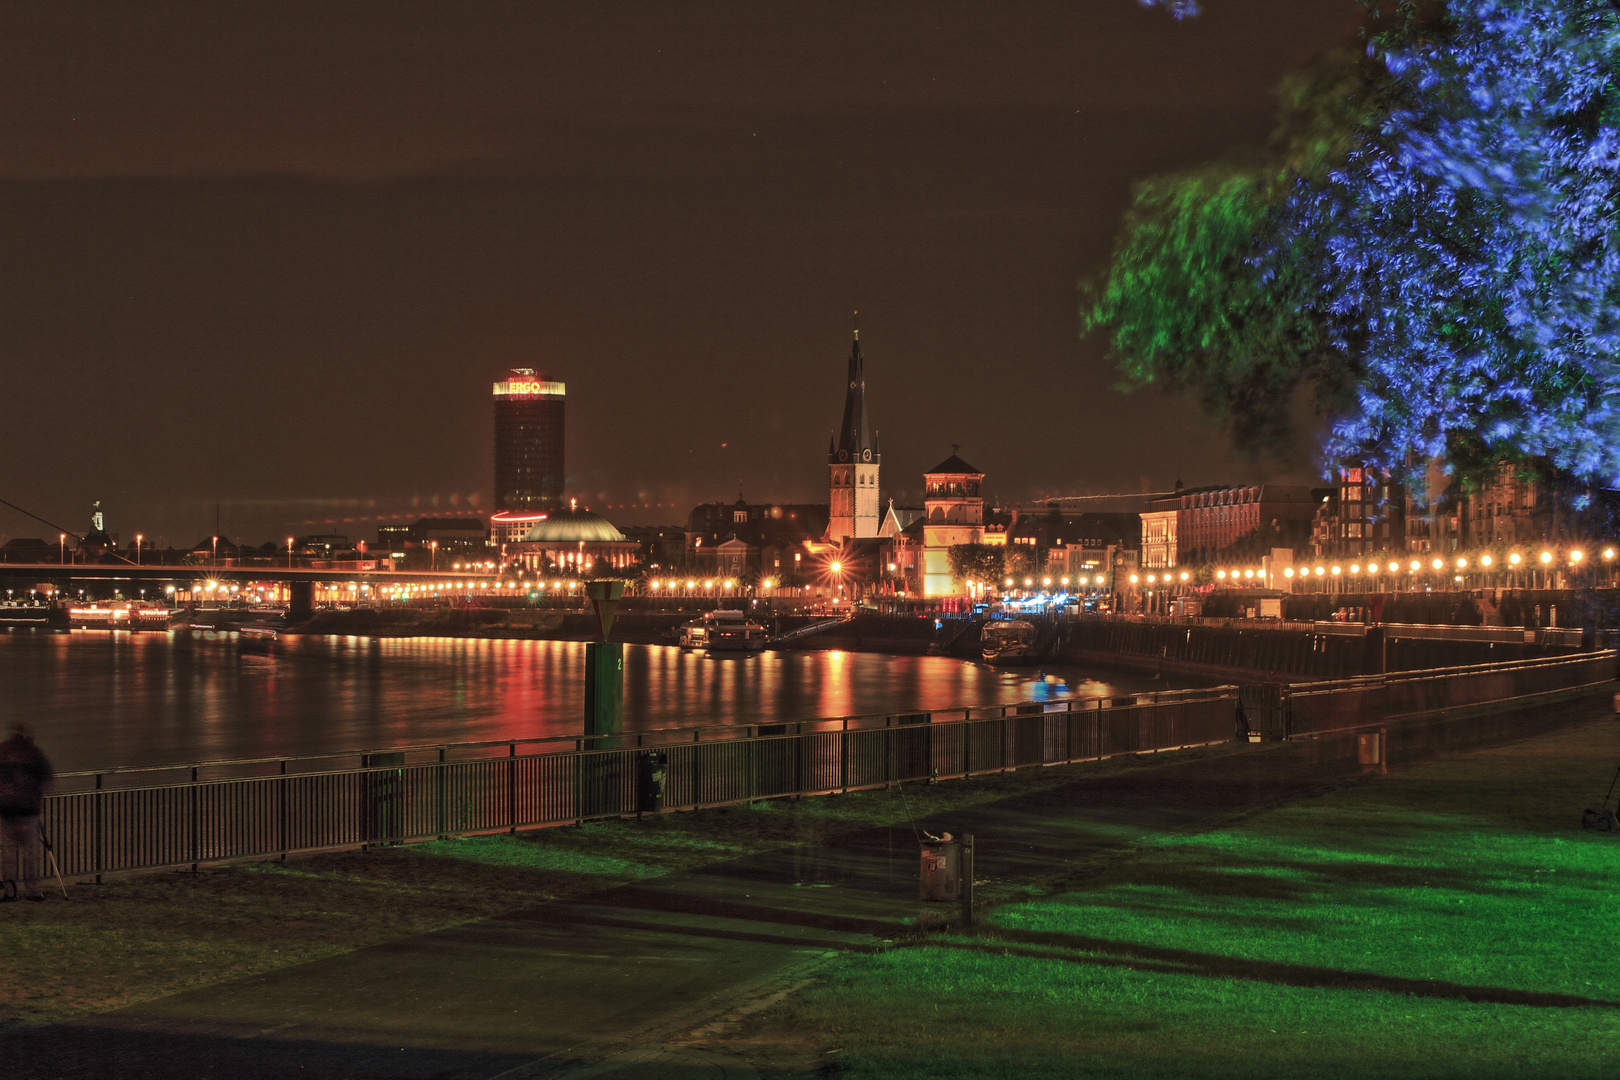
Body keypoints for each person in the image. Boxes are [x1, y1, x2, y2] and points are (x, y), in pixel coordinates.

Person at [0, 723, 55, 902]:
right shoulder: (34, 752)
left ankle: (10, 891)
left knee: (8, 855)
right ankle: (34, 891)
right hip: (29, 811)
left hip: (6, 811)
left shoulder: (3, 750)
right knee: (31, 854)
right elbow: (47, 775)